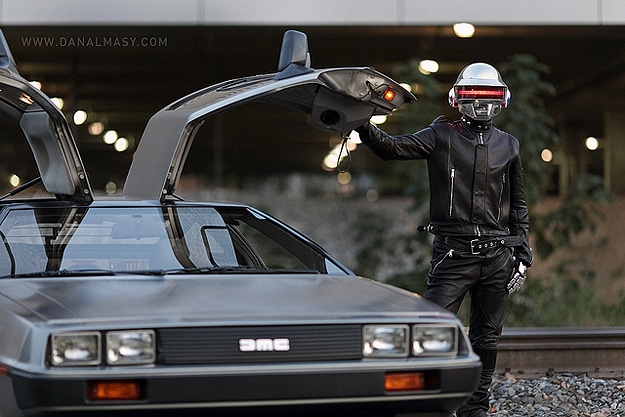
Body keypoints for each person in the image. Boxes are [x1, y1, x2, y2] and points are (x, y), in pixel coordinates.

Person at [355, 62, 532, 417]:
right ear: (458, 100)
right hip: (453, 254)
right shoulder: (440, 135)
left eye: (489, 98)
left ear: (501, 101)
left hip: (498, 256)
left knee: (488, 337)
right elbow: (392, 148)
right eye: (474, 97)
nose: (481, 105)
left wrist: (522, 254)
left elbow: (518, 204)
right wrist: (360, 121)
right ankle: (430, 403)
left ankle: (474, 407)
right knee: (430, 330)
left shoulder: (509, 145)